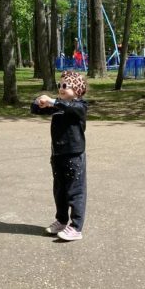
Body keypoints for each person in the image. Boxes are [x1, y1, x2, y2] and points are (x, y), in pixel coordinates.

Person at [30, 70, 88, 241]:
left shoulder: (80, 106)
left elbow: (72, 109)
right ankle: (62, 220)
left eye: (65, 86)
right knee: (60, 190)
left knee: (75, 191)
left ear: (77, 89)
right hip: (58, 155)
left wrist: (54, 101)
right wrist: (38, 102)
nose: (61, 89)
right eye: (59, 85)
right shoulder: (58, 106)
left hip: (74, 155)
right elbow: (36, 110)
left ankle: (76, 227)